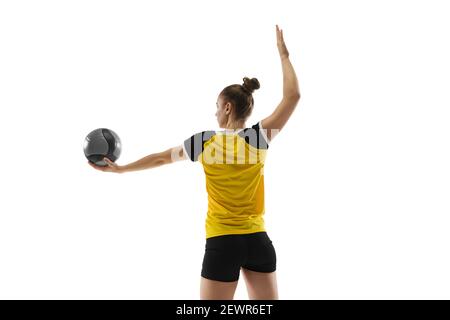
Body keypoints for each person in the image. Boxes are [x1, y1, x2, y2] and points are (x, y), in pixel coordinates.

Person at [89, 24, 301, 300]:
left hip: (222, 242)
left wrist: (122, 169)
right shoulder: (259, 138)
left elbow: (161, 158)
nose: (215, 113)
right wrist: (284, 56)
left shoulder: (204, 142)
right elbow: (292, 97)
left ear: (227, 107)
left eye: (217, 106)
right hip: (258, 242)